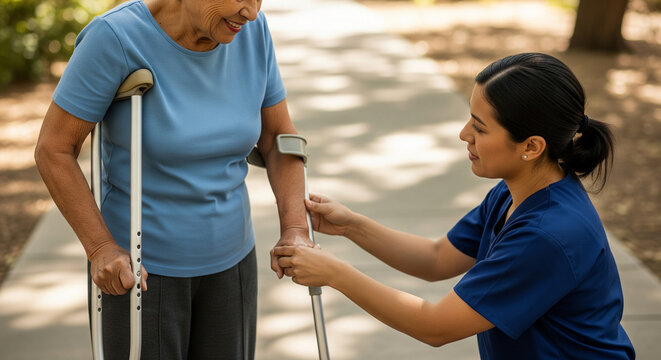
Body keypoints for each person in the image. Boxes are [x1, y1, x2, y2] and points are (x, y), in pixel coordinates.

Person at [273, 53, 636, 359]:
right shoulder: (515, 192)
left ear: (531, 146)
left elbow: (435, 326)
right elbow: (436, 258)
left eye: (480, 128)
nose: (464, 134)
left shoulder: (548, 234)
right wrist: (352, 225)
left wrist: (334, 272)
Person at [34, 0, 312, 358]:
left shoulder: (251, 33)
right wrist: (100, 247)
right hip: (139, 272)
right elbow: (54, 149)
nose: (251, 12)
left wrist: (295, 229)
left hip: (233, 265)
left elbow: (277, 139)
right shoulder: (116, 38)